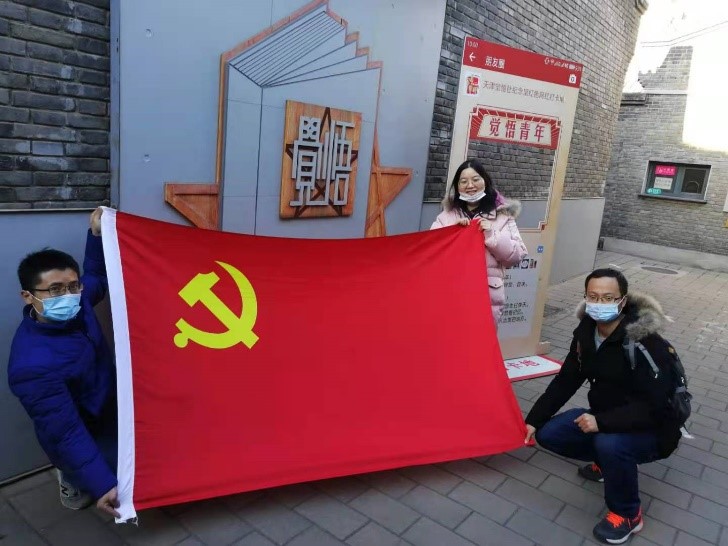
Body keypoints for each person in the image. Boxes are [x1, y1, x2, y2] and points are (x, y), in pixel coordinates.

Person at [524, 268, 683, 544]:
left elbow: (657, 407)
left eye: (608, 298)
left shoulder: (645, 343)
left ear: (623, 301)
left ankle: (628, 514)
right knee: (549, 434)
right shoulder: (586, 333)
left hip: (654, 430)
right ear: (585, 297)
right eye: (593, 297)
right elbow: (566, 380)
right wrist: (533, 420)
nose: (599, 303)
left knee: (610, 444)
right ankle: (606, 463)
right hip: (606, 417)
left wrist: (601, 423)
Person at [7, 208, 120, 518]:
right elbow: (66, 431)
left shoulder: (80, 302)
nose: (67, 295)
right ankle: (71, 482)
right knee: (104, 479)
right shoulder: (31, 366)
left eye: (72, 286)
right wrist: (102, 485)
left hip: (105, 406)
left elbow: (96, 277)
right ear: (27, 296)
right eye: (55, 290)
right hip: (78, 427)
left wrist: (96, 234)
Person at [431, 159, 527, 326]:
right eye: (463, 181)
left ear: (485, 181)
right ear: (457, 186)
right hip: (451, 293)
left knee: (480, 340)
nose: (470, 185)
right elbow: (432, 251)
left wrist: (492, 235)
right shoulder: (445, 217)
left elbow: (517, 255)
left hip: (487, 297)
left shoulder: (503, 216)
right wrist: (453, 233)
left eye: (475, 179)